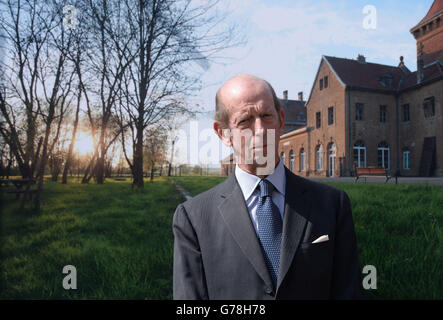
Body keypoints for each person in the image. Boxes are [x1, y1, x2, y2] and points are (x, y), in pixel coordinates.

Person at [172, 74, 363, 299]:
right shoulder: (193, 219)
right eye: (245, 120)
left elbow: (348, 292)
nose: (261, 129)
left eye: (266, 115)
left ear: (281, 120)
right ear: (223, 133)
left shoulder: (333, 205)